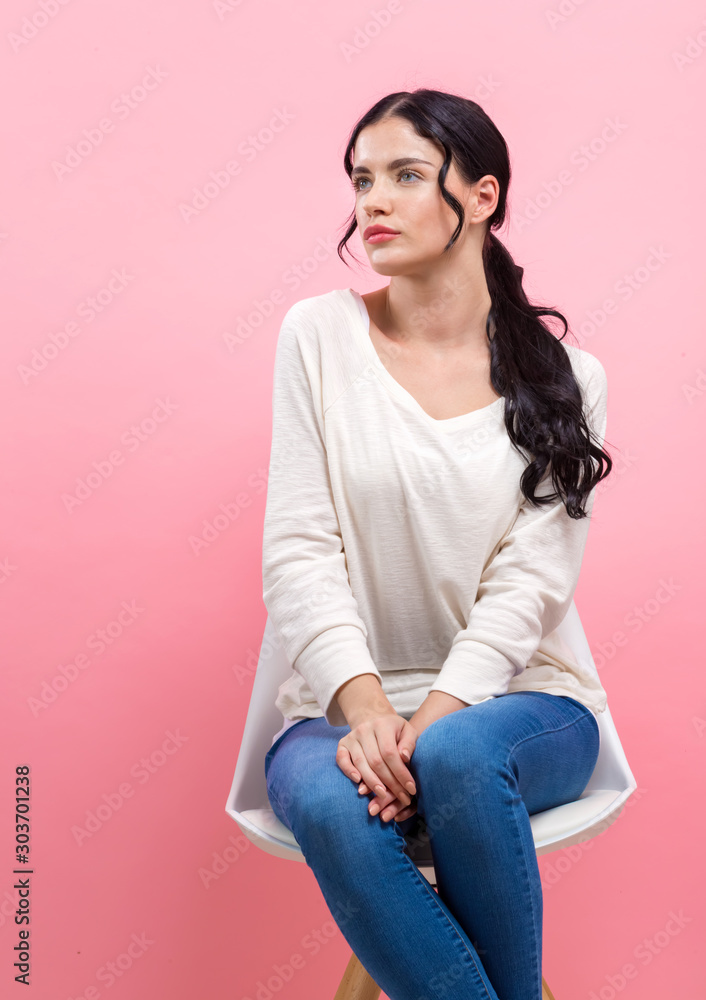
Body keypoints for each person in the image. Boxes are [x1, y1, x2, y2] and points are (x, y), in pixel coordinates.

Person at [262, 88, 612, 1000]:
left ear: (484, 196)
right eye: (361, 179)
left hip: (522, 706)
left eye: (406, 176)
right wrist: (371, 710)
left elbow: (531, 585)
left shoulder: (570, 379)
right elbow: (300, 550)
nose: (371, 201)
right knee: (339, 808)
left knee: (457, 758)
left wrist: (432, 722)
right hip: (341, 713)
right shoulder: (318, 337)